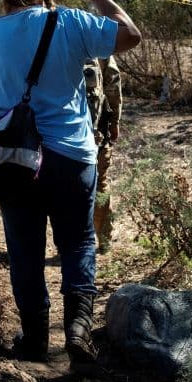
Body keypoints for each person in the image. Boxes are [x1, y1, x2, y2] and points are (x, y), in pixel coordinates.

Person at [0, 0, 142, 364]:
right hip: (73, 156)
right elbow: (130, 35)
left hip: (14, 162)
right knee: (78, 244)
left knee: (25, 252)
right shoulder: (70, 22)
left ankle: (35, 340)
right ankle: (77, 333)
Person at [84, 55, 122, 253]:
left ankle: (71, 245)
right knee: (99, 183)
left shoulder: (45, 34)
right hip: (96, 133)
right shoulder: (94, 37)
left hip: (58, 135)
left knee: (65, 188)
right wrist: (115, 120)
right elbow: (113, 84)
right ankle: (104, 240)